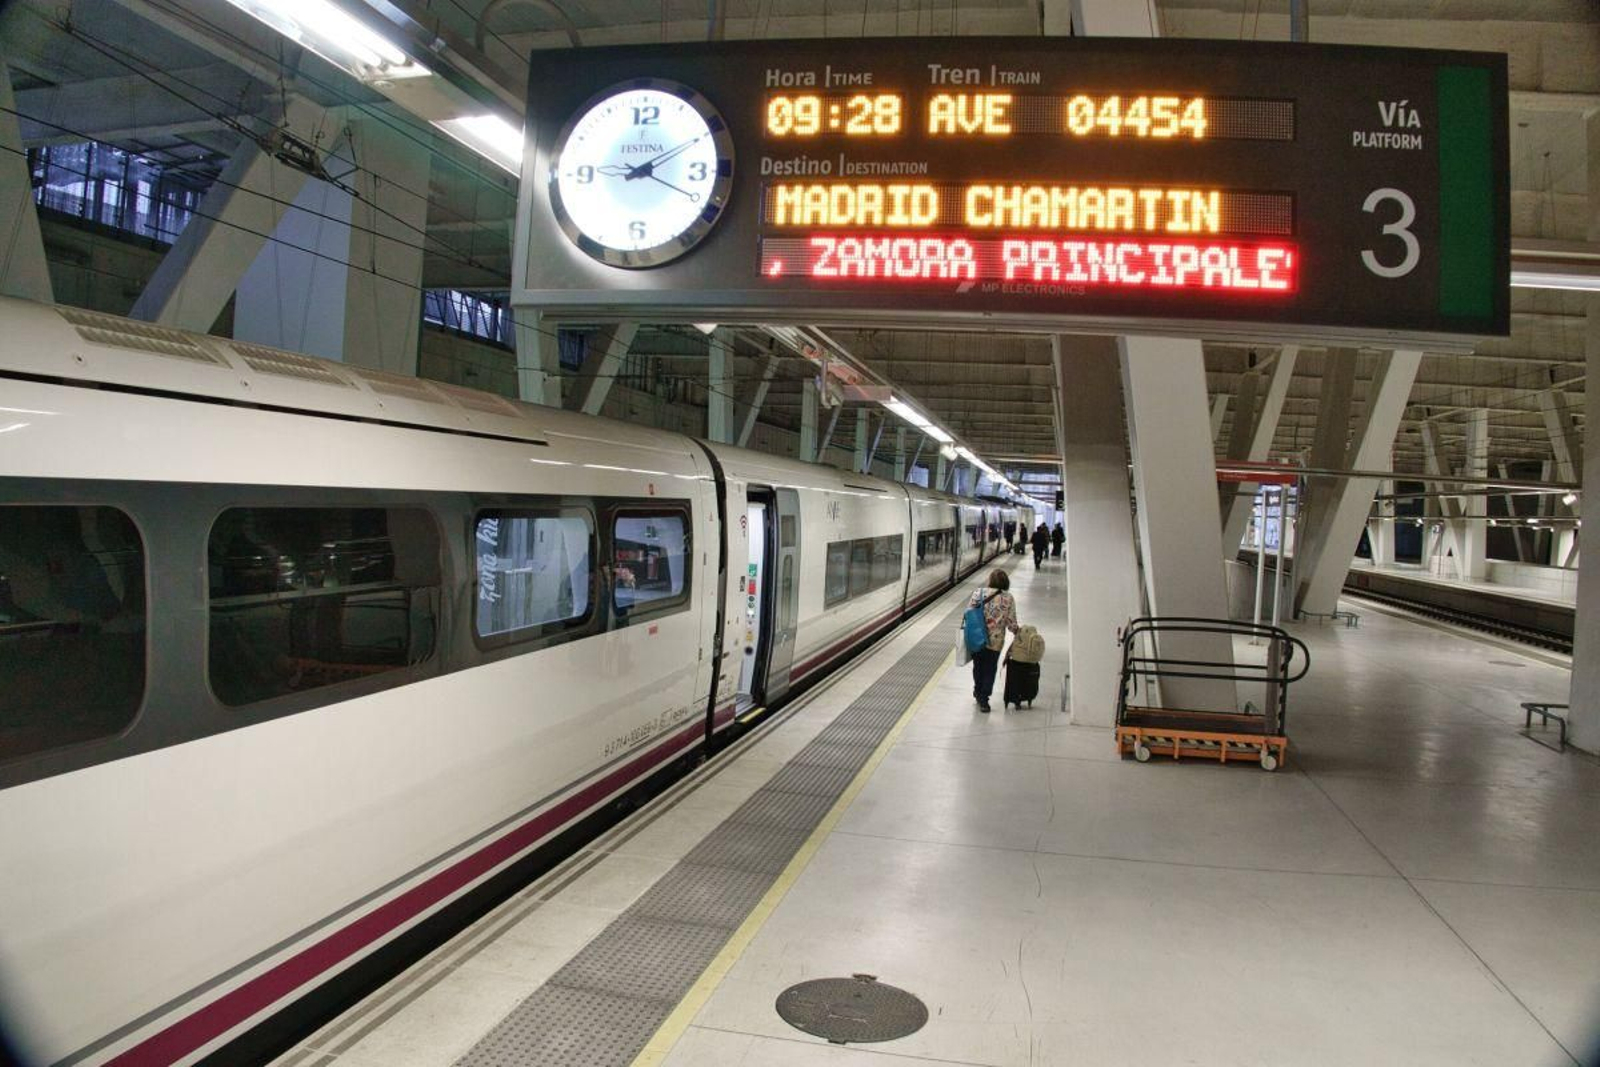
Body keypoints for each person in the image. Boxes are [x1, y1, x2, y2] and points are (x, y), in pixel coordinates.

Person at [969, 568, 1019, 713]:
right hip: (995, 642)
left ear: (990, 580)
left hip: (977, 638)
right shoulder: (1008, 598)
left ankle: (977, 690)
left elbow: (970, 612)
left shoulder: (979, 593)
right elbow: (1011, 623)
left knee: (978, 666)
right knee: (990, 669)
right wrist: (1017, 631)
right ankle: (984, 699)